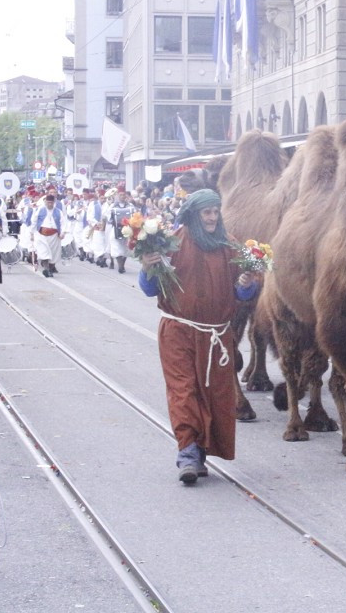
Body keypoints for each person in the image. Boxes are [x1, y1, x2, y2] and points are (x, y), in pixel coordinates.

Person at [138, 189, 259, 485]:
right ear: (194, 214)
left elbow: (242, 294)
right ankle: (188, 452)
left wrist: (246, 282)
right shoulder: (170, 244)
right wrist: (147, 266)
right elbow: (150, 289)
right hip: (178, 332)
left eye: (215, 212)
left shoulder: (229, 247)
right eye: (207, 212)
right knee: (184, 390)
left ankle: (201, 449)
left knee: (214, 395)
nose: (212, 217)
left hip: (217, 335)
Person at [32, 195, 63, 278]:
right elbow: (34, 221)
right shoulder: (40, 210)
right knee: (44, 252)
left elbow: (63, 222)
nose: (49, 204)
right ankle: (46, 269)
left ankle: (50, 268)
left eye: (51, 202)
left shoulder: (58, 212)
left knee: (53, 254)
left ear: (54, 202)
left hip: (54, 236)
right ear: (45, 202)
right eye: (48, 202)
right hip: (41, 235)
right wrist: (32, 233)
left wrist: (62, 233)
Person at [107, 189, 134, 274]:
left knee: (126, 247)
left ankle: (122, 264)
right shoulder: (112, 206)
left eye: (124, 195)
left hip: (127, 230)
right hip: (116, 229)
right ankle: (120, 266)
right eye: (121, 195)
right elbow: (108, 216)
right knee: (116, 246)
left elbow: (134, 214)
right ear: (118, 196)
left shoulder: (130, 205)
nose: (122, 196)